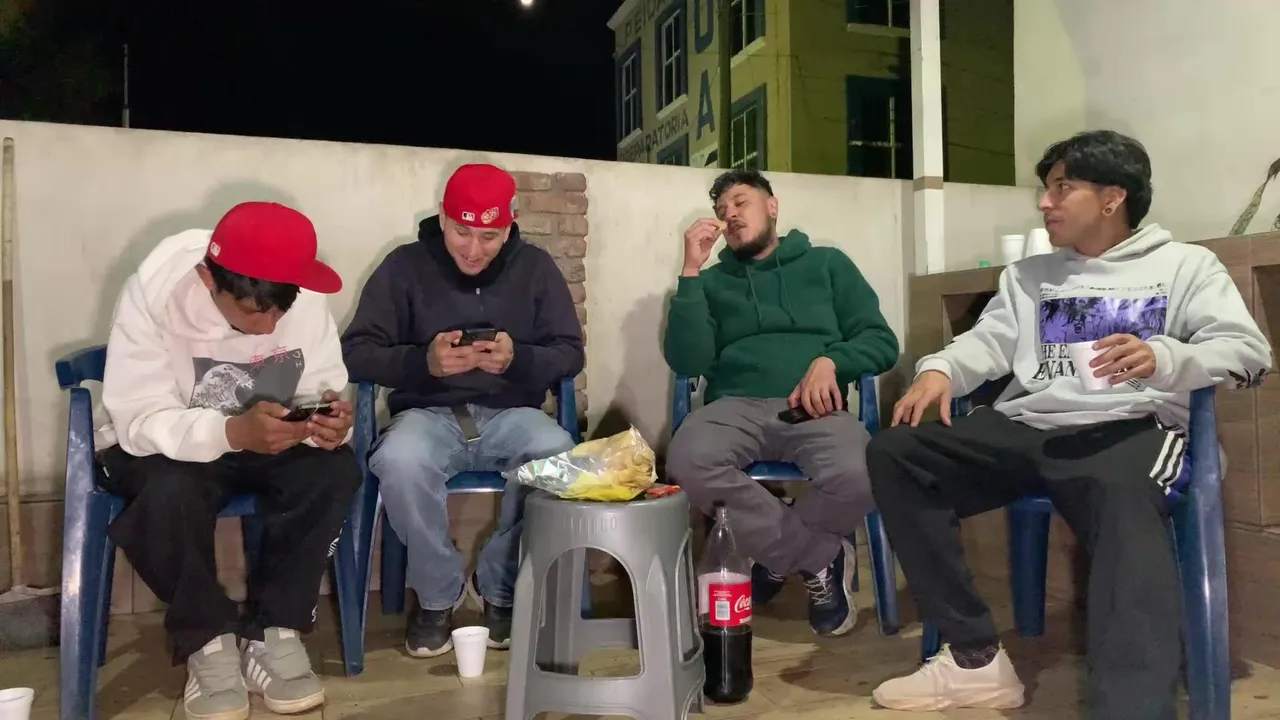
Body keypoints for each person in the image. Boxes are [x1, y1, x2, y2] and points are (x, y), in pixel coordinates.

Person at [868, 130, 1272, 719]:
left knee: (1124, 495)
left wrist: (1163, 356)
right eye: (1046, 188)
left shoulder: (1186, 266)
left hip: (1135, 425)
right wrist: (941, 370)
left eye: (1062, 187)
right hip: (1032, 425)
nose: (1044, 202)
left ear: (1112, 198)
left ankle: (1130, 708)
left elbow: (1247, 353)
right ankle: (975, 660)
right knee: (898, 453)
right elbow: (989, 341)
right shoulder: (1029, 276)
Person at [97, 202, 361, 720]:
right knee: (164, 492)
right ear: (207, 279)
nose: (268, 326)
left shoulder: (301, 292)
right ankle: (207, 639)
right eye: (251, 310)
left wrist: (326, 425)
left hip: (268, 438)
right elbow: (139, 417)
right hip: (169, 447)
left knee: (333, 471)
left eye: (280, 310)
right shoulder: (153, 294)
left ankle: (274, 631)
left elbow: (322, 381)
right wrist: (231, 432)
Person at [341, 163, 584, 659]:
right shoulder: (404, 266)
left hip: (512, 413)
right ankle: (439, 595)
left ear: (510, 224)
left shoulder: (535, 268)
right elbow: (356, 352)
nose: (473, 249)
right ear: (442, 217)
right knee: (399, 461)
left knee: (556, 454)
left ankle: (499, 586)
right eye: (461, 232)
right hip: (428, 415)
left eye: (489, 236)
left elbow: (569, 353)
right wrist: (423, 363)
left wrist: (518, 359)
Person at [663, 169, 899, 637]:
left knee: (863, 472)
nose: (730, 215)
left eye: (741, 202)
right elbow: (687, 360)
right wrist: (690, 272)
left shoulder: (827, 264)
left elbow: (880, 340)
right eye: (721, 209)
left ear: (772, 206)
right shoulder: (710, 283)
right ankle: (820, 557)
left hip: (814, 406)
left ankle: (773, 558)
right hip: (734, 406)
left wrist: (832, 361)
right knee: (687, 461)